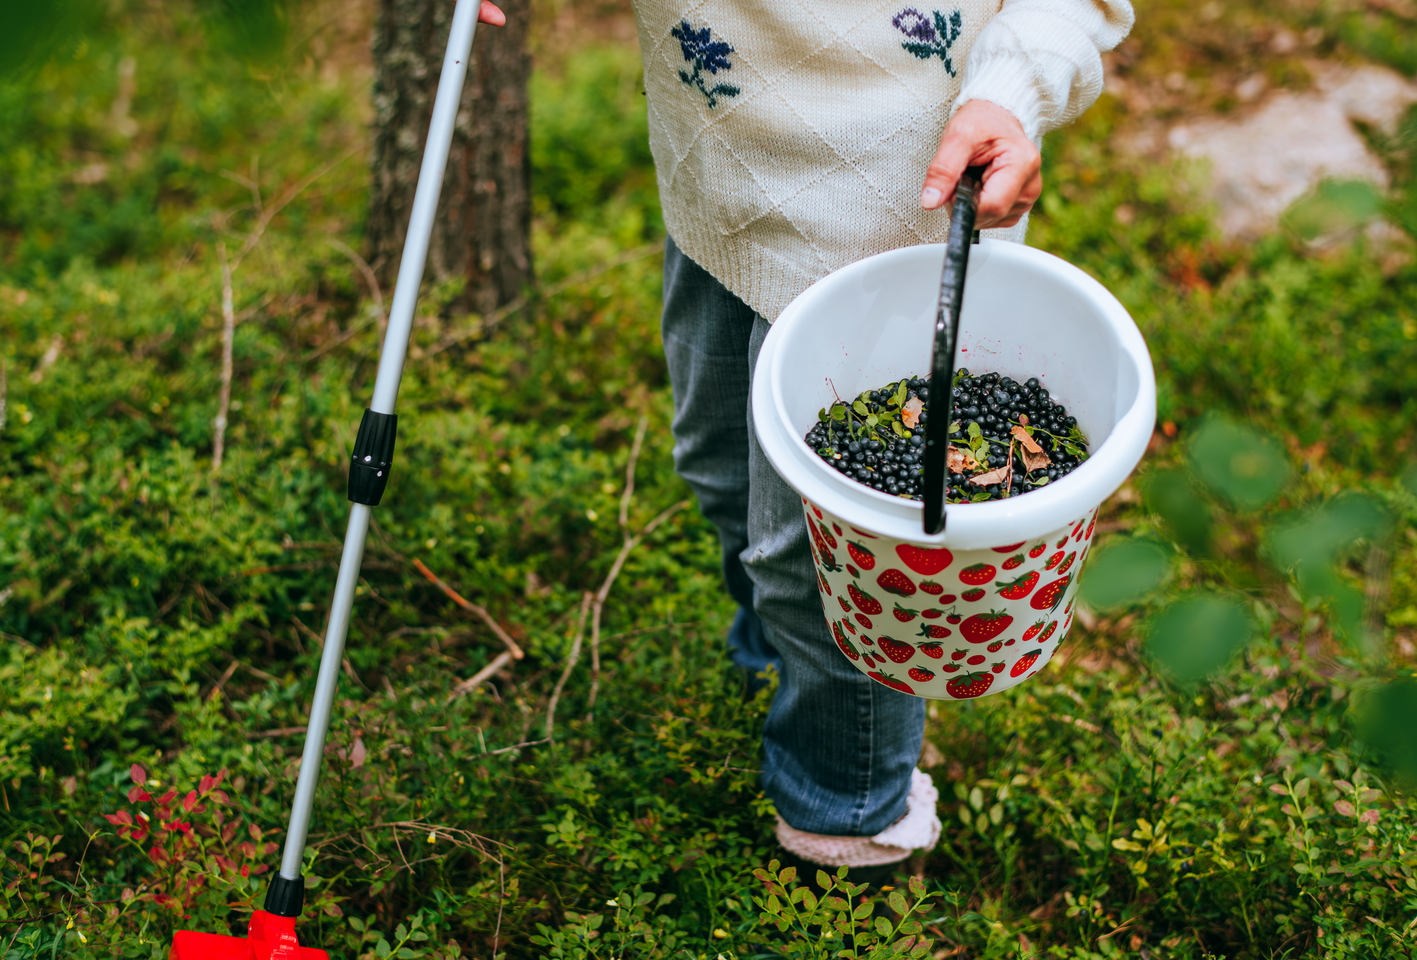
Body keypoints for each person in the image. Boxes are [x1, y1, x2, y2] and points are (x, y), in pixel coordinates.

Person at [478, 0, 1134, 884]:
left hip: (893, 210)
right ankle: (779, 670)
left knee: (834, 580)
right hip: (718, 180)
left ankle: (847, 823)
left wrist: (1014, 90)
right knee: (714, 465)